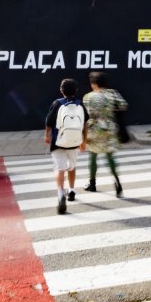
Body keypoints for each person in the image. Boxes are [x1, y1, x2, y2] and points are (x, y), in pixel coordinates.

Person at [44, 78, 86, 215]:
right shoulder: (80, 104)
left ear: (61, 90)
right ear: (76, 90)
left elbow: (49, 122)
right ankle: (72, 190)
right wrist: (84, 141)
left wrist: (47, 135)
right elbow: (85, 123)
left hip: (58, 142)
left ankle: (61, 193)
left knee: (59, 168)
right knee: (72, 167)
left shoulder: (57, 103)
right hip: (74, 142)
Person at [82, 70, 127, 197]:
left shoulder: (88, 97)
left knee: (93, 157)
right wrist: (109, 110)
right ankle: (117, 183)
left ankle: (92, 184)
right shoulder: (113, 93)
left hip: (94, 131)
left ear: (94, 83)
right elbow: (123, 106)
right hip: (110, 129)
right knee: (110, 156)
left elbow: (86, 115)